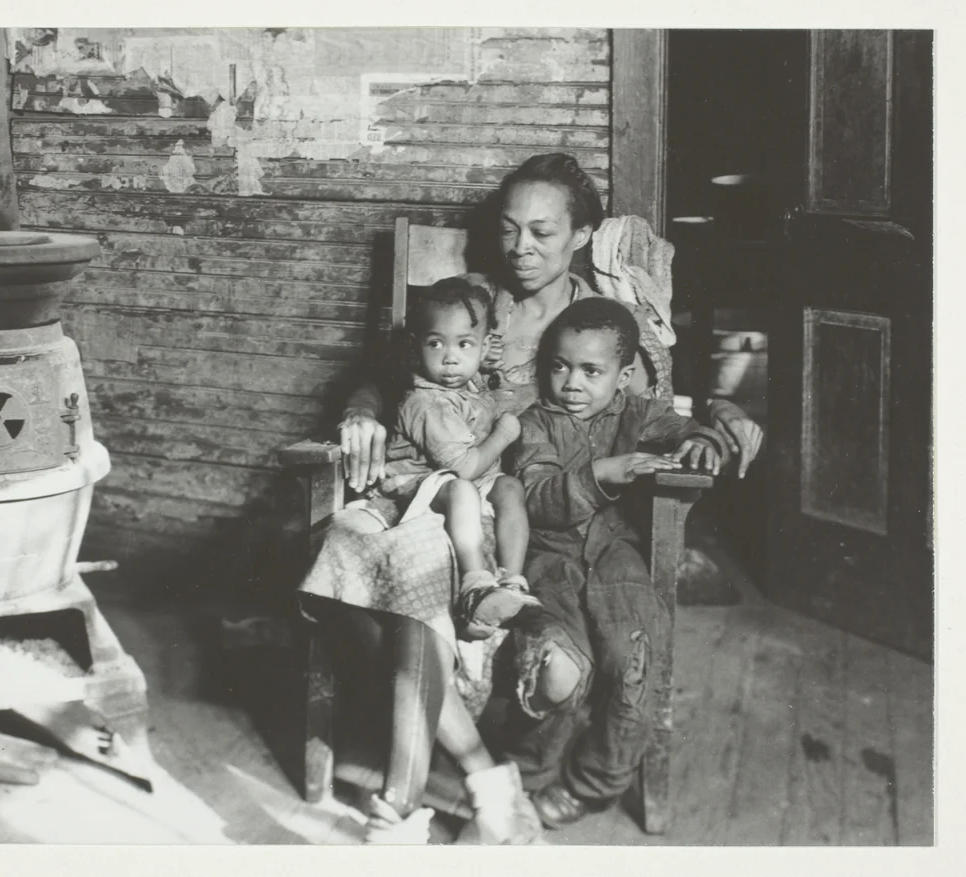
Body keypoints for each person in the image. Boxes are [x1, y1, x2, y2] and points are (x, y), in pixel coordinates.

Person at [299, 152, 763, 843]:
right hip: (453, 498)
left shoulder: (600, 323)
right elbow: (386, 376)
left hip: (533, 517)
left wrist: (720, 419)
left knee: (481, 602)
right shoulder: (472, 304)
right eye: (511, 230)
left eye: (543, 233)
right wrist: (362, 413)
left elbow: (653, 412)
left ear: (581, 236)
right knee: (371, 568)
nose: (521, 249)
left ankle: (444, 782)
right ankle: (461, 779)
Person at [507, 297, 725, 825]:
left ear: (624, 375)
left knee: (635, 658)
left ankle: (595, 782)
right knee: (561, 665)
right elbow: (534, 496)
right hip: (549, 560)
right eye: (559, 366)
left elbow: (680, 428)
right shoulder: (536, 423)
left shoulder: (638, 412)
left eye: (591, 370)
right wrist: (604, 473)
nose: (572, 383)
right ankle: (528, 774)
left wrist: (702, 438)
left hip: (615, 555)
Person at [373, 277, 540, 641]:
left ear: (483, 350)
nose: (450, 357)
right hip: (418, 481)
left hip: (467, 476)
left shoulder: (468, 382)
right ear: (417, 350)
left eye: (464, 344)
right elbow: (463, 467)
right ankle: (475, 585)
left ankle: (510, 582)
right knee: (462, 489)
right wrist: (504, 435)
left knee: (511, 487)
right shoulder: (426, 402)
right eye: (436, 343)